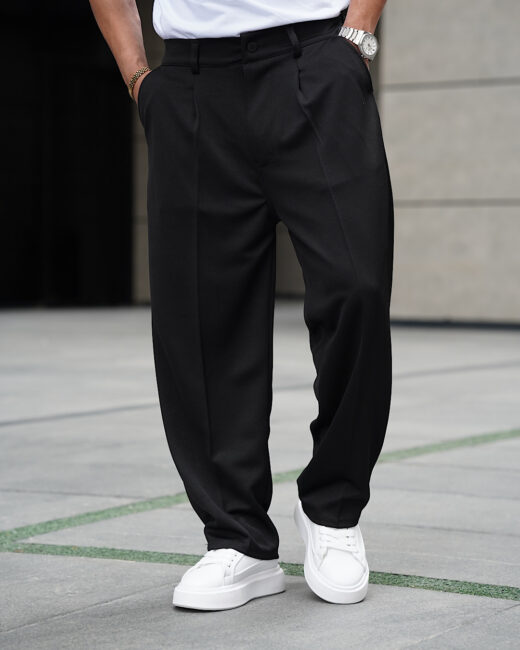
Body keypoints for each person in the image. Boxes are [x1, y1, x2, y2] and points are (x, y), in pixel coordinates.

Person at [89, 0, 393, 610]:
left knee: (356, 286)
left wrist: (356, 36)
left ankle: (334, 510)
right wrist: (139, 77)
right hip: (192, 84)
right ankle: (238, 537)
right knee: (203, 320)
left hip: (317, 63)